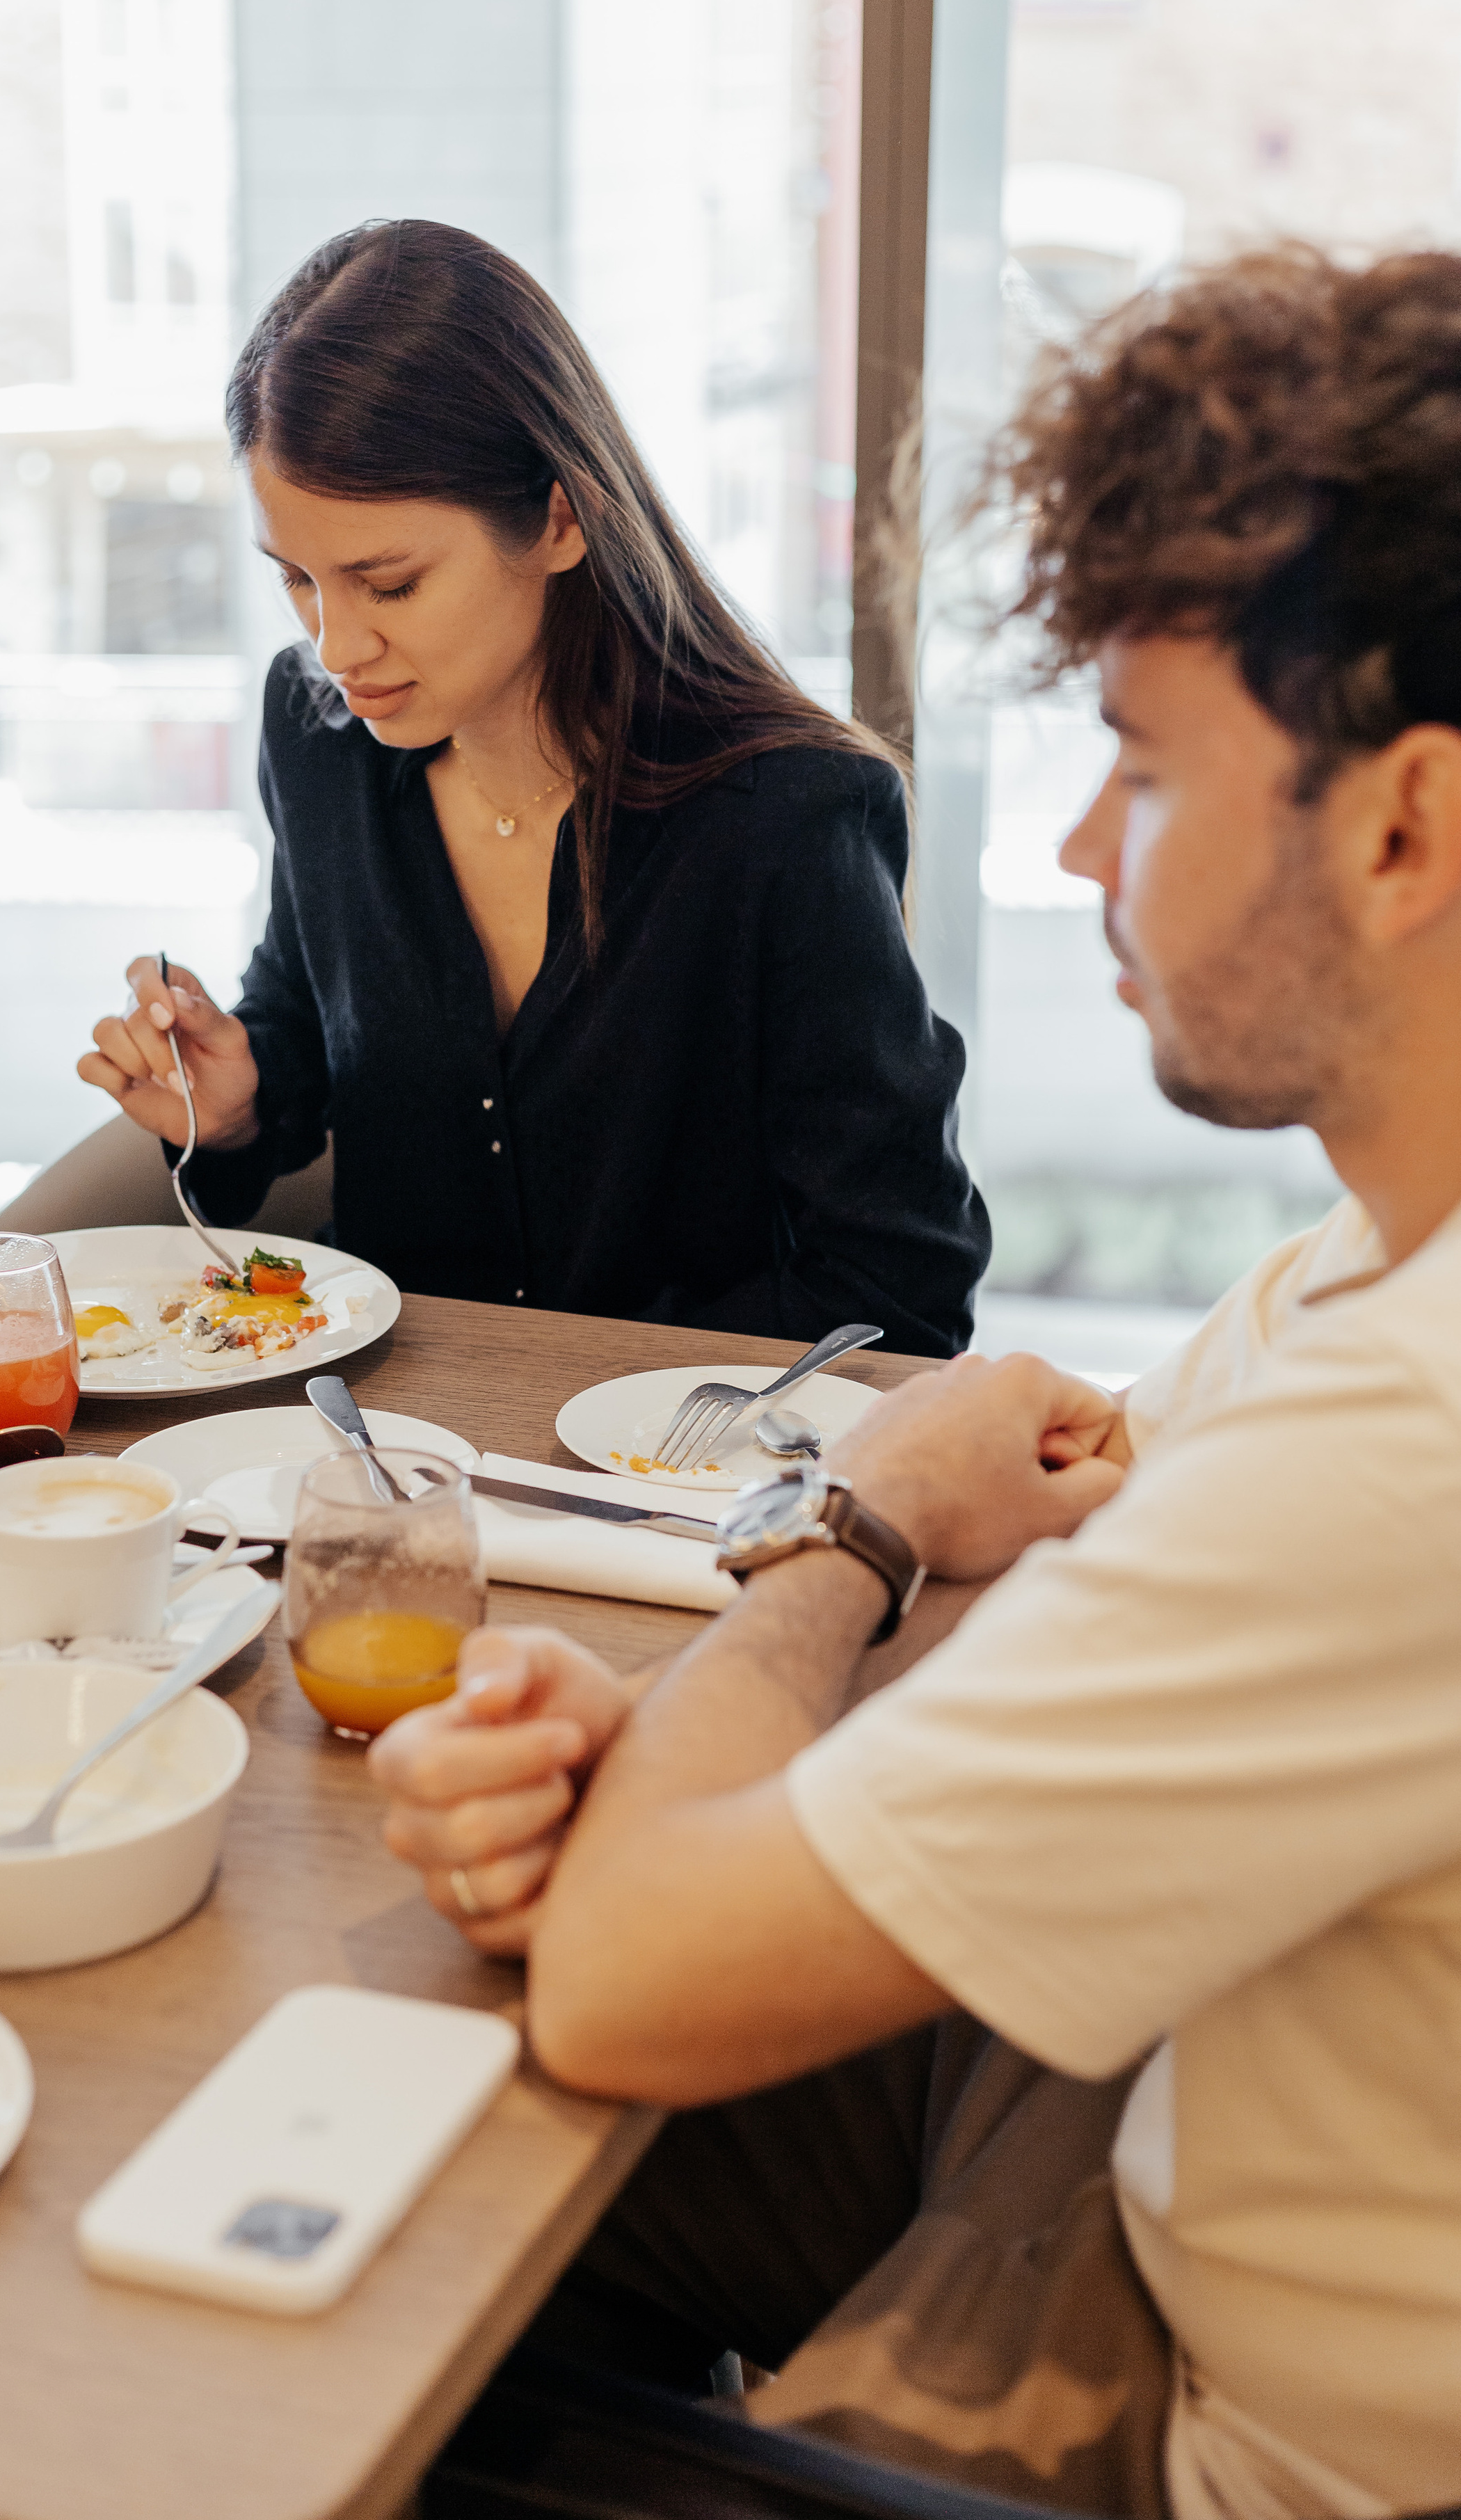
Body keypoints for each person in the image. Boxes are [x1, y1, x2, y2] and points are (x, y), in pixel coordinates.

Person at [369, 246, 1461, 2519]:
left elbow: (629, 1986)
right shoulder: (1360, 1278)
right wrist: (681, 1725)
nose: (1078, 851)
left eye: (1144, 773)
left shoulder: (1409, 1449)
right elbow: (1089, 1597)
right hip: (1151, 2106)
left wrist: (839, 1535)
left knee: (355, 2297)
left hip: (1207, 2419)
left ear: (1404, 825)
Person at [77, 218, 988, 1349]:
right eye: (298, 581)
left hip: (685, 1474)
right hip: (388, 1458)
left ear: (560, 517)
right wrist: (237, 1101)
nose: (337, 644)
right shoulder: (317, 735)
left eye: (389, 583)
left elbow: (902, 1286)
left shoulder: (785, 817)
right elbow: (312, 1016)